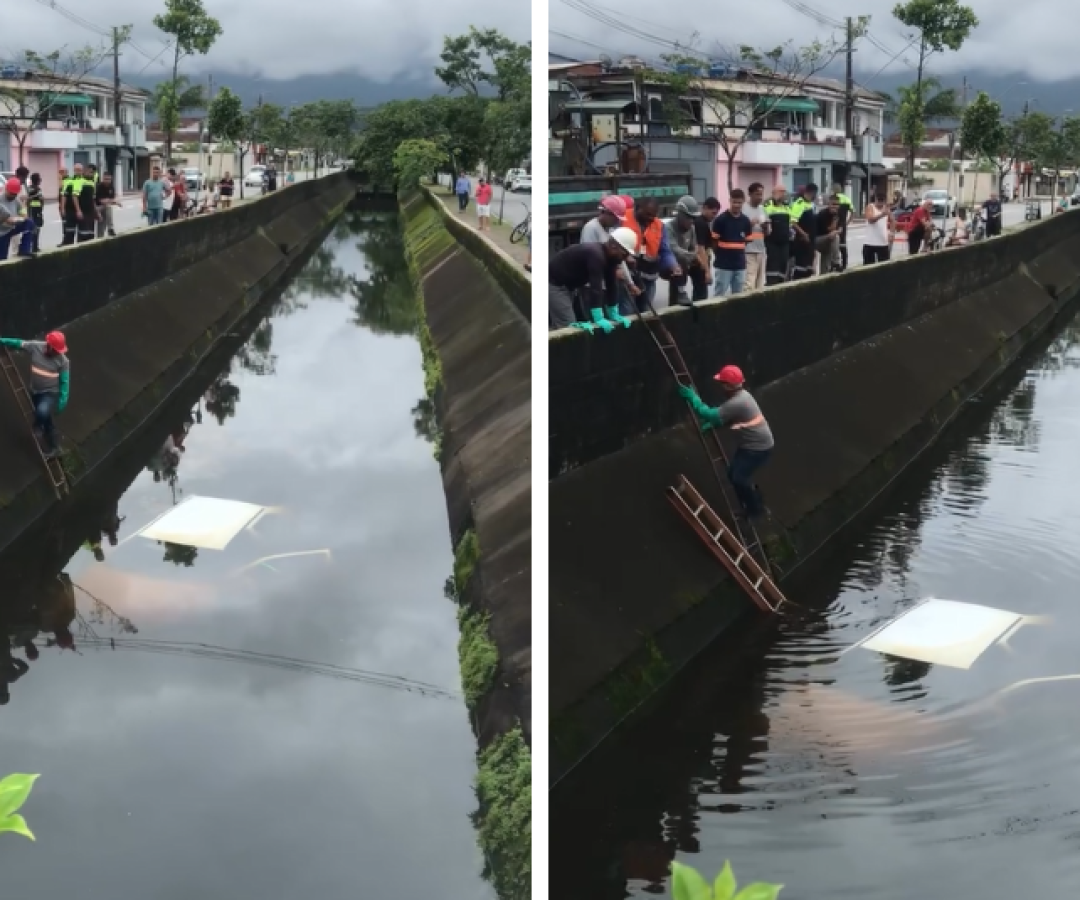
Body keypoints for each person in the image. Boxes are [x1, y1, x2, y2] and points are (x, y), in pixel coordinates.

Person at [677, 364, 774, 519]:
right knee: (733, 474)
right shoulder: (742, 397)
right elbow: (732, 417)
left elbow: (708, 413)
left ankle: (756, 510)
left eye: (722, 383)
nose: (720, 386)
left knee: (738, 478)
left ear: (728, 386)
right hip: (750, 445)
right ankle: (752, 502)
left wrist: (693, 398)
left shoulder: (737, 402)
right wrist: (716, 424)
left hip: (757, 449)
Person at [548, 228, 636, 332]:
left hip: (569, 286)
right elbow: (596, 287)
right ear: (613, 246)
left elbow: (612, 284)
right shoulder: (596, 254)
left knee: (562, 323)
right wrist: (598, 317)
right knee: (568, 326)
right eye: (624, 254)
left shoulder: (611, 258)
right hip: (554, 283)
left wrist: (613, 311)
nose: (625, 258)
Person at [0, 331, 69, 459]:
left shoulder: (63, 361)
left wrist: (62, 399)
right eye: (55, 350)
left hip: (49, 394)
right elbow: (18, 343)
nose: (58, 353)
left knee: (42, 412)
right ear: (48, 345)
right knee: (47, 419)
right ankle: (55, 447)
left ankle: (38, 427)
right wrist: (2, 341)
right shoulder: (36, 346)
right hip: (35, 391)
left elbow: (64, 382)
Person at [581, 196, 637, 314]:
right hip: (591, 286)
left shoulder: (611, 231)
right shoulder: (591, 228)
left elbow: (619, 259)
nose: (617, 221)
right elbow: (591, 259)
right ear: (605, 213)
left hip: (605, 286)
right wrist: (613, 271)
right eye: (615, 218)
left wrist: (630, 283)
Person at [624, 196, 679, 311]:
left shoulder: (659, 225)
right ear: (638, 208)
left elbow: (665, 250)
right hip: (628, 276)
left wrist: (673, 265)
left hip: (648, 276)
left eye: (653, 216)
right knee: (627, 311)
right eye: (647, 214)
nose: (650, 219)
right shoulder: (623, 219)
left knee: (645, 310)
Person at [664, 195, 707, 306]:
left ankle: (700, 300)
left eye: (693, 218)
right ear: (680, 215)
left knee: (700, 268)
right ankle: (678, 296)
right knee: (679, 262)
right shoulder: (668, 227)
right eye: (688, 217)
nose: (691, 221)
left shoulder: (691, 229)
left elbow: (693, 247)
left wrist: (700, 262)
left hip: (686, 260)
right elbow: (674, 249)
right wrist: (693, 256)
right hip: (669, 263)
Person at [711, 188, 753, 297]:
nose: (737, 205)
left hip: (740, 265)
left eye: (739, 202)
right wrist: (721, 255)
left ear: (743, 202)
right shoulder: (721, 220)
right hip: (723, 265)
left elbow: (746, 240)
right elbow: (714, 242)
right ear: (730, 201)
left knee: (738, 296)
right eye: (734, 202)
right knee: (719, 295)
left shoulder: (746, 221)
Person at [743, 183, 769, 292]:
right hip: (748, 251)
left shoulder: (762, 209)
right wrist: (750, 224)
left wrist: (765, 227)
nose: (760, 197)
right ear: (750, 194)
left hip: (761, 250)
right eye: (757, 194)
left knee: (760, 283)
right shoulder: (744, 209)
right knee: (749, 283)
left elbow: (768, 233)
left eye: (761, 194)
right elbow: (739, 230)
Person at [763, 185, 792, 286]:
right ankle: (771, 285)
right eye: (782, 192)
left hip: (785, 242)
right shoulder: (767, 205)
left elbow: (790, 223)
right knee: (772, 265)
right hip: (772, 242)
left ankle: (781, 284)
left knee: (783, 264)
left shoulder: (786, 206)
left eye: (784, 192)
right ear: (775, 192)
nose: (784, 194)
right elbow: (764, 220)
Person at [0, 177, 35, 260]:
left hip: (10, 228)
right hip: (1, 232)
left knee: (29, 222)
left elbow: (23, 214)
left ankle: (24, 250)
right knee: (2, 258)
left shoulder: (16, 200)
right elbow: (7, 219)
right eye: (11, 194)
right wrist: (8, 219)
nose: (13, 196)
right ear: (6, 189)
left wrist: (21, 218)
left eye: (15, 194)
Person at [693, 197, 721, 298]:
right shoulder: (700, 224)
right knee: (701, 295)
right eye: (713, 213)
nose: (714, 216)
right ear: (705, 208)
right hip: (700, 264)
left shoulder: (703, 223)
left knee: (699, 292)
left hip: (701, 262)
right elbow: (701, 248)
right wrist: (707, 271)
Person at [789, 184, 818, 279]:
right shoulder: (799, 203)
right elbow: (793, 222)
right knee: (801, 269)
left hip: (810, 241)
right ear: (811, 193)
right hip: (802, 241)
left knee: (809, 270)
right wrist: (803, 234)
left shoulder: (811, 204)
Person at [814, 195, 843, 272]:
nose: (835, 206)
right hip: (817, 240)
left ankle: (824, 275)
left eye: (837, 204)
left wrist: (836, 231)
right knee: (835, 237)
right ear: (829, 204)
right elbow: (829, 230)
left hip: (828, 241)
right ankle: (836, 262)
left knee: (825, 266)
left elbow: (840, 229)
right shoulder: (823, 214)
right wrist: (834, 218)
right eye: (833, 204)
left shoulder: (839, 214)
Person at [862, 194, 893, 264]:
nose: (880, 202)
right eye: (879, 200)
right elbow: (870, 220)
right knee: (868, 267)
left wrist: (891, 233)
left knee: (884, 267)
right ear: (875, 199)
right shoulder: (870, 207)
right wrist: (882, 214)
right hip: (870, 243)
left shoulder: (886, 209)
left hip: (883, 243)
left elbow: (892, 221)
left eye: (882, 200)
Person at [831, 183, 854, 271]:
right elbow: (852, 212)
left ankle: (833, 264)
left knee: (833, 244)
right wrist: (847, 222)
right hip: (842, 224)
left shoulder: (832, 198)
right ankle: (844, 264)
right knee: (843, 244)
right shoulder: (846, 199)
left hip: (833, 224)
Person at [95, 171, 119, 238]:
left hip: (105, 208)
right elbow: (101, 201)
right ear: (103, 178)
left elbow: (112, 199)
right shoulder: (99, 186)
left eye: (109, 179)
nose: (107, 181)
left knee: (102, 224)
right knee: (108, 206)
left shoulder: (111, 187)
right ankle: (110, 228)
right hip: (97, 208)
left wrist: (115, 202)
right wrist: (113, 201)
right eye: (105, 179)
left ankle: (108, 231)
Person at [26, 173, 44, 254]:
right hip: (35, 211)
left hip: (35, 211)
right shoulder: (34, 189)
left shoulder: (30, 189)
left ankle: (35, 246)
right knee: (35, 229)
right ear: (36, 180)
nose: (40, 180)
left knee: (35, 229)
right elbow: (40, 200)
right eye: (39, 178)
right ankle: (34, 247)